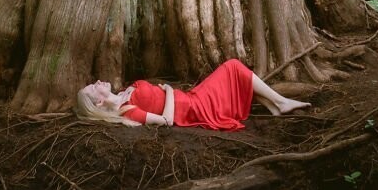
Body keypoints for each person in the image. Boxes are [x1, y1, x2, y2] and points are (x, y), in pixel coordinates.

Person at [75, 58, 311, 130]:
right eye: (93, 87)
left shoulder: (125, 93)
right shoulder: (127, 111)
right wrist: (168, 92)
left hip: (190, 96)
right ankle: (280, 102)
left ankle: (275, 105)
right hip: (193, 106)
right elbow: (167, 121)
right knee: (233, 67)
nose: (96, 82)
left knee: (234, 73)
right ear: (98, 101)